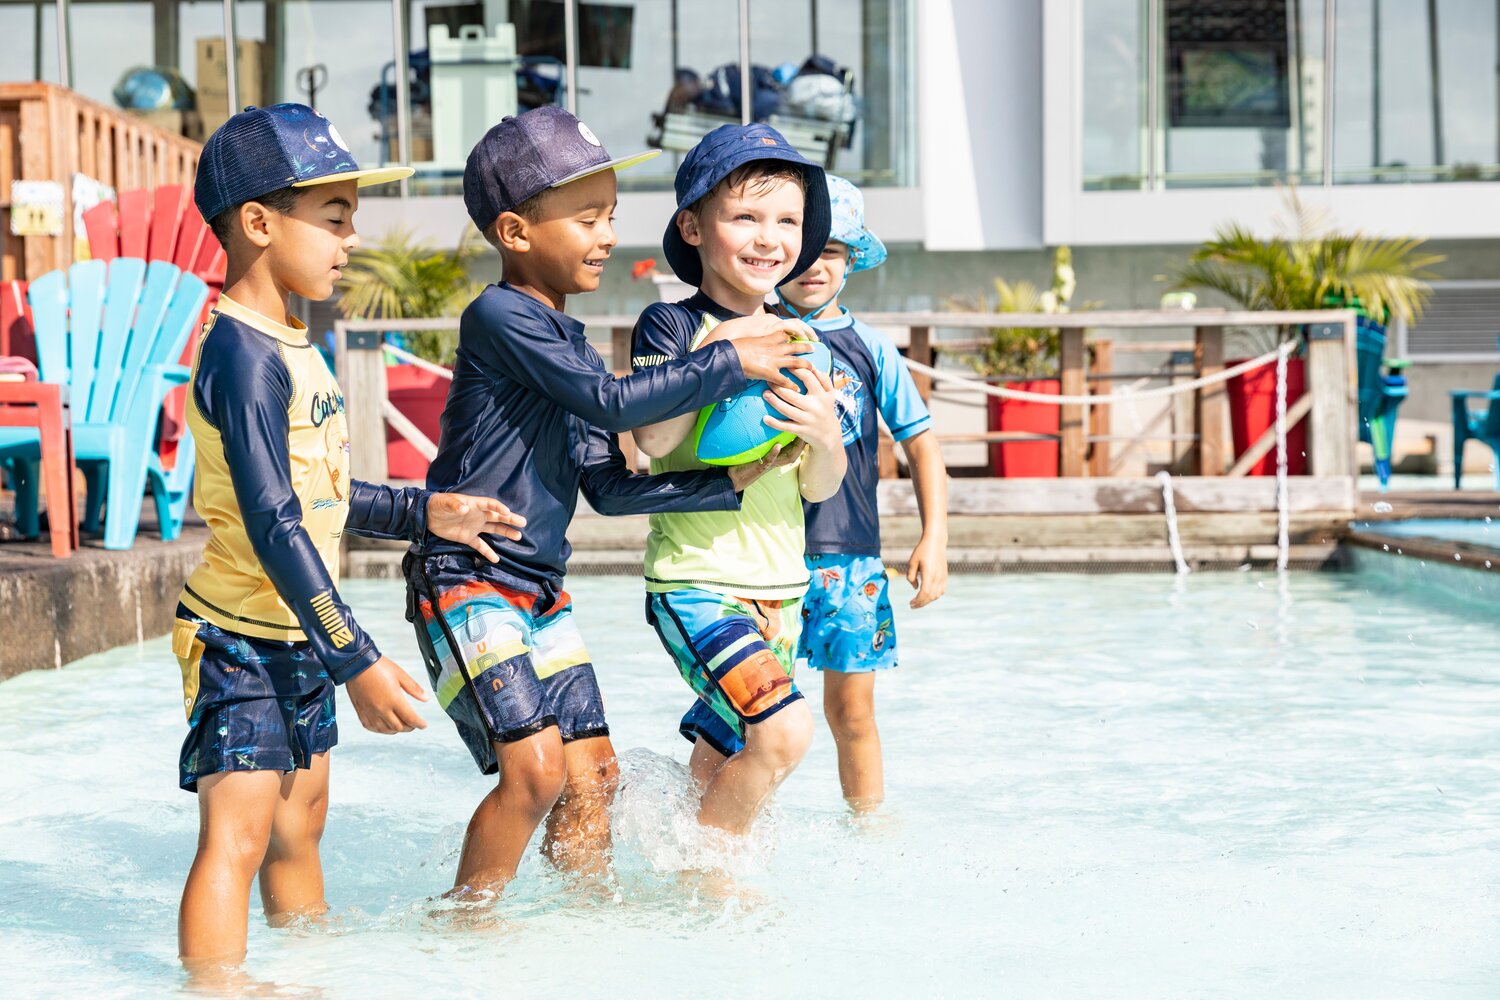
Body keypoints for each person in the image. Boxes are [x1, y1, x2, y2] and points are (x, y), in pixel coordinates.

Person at [403, 107, 816, 899]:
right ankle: (464, 929)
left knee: (595, 776)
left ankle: (585, 927)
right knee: (534, 773)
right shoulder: (499, 318)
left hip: (539, 589)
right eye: (588, 219)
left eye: (611, 218)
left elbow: (609, 484)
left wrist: (728, 483)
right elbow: (611, 401)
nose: (605, 236)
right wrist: (728, 358)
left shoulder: (570, 337)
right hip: (465, 575)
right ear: (516, 233)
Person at [174, 103, 524, 968]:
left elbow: (322, 493)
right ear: (258, 222)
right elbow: (273, 521)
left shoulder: (294, 341)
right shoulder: (241, 357)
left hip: (297, 632)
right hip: (238, 638)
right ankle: (215, 988)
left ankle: (309, 971)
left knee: (301, 826)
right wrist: (355, 657)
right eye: (333, 221)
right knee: (240, 833)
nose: (349, 242)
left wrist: (425, 510)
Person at [631, 123, 846, 835]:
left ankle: (686, 890)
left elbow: (819, 487)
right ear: (693, 226)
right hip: (696, 579)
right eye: (745, 217)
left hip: (781, 586)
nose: (769, 238)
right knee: (783, 735)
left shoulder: (801, 336)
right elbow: (652, 438)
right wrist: (723, 344)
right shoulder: (669, 325)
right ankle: (715, 882)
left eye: (787, 221)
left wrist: (822, 436)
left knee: (722, 760)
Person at [775, 175, 948, 813]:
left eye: (832, 249)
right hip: (767, 549)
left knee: (852, 713)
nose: (813, 264)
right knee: (751, 712)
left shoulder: (872, 347)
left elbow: (921, 442)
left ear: (851, 261)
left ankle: (868, 829)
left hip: (851, 556)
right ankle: (735, 834)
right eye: (802, 247)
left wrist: (935, 537)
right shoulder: (755, 332)